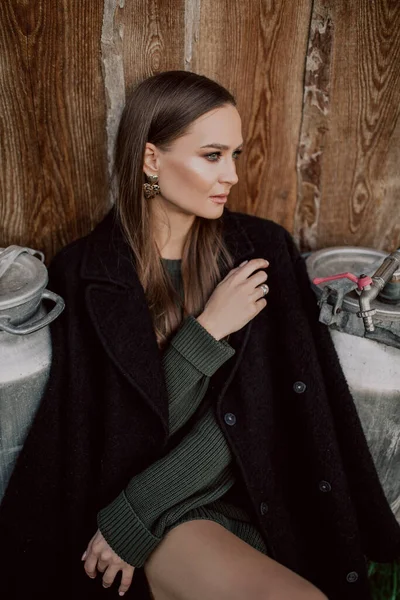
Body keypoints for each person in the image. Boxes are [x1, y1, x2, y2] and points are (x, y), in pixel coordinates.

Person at [0, 71, 399, 600]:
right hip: (177, 516)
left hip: (269, 493)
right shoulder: (91, 274)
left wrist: (130, 514)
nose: (231, 174)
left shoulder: (261, 251)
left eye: (235, 154)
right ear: (151, 161)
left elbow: (261, 411)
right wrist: (209, 329)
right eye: (212, 155)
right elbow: (130, 434)